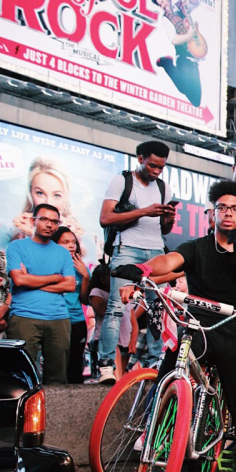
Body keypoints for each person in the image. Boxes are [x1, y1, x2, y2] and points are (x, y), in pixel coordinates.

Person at [112, 180, 236, 472]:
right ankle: (155, 424)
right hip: (198, 329)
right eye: (222, 208)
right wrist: (142, 270)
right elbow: (169, 261)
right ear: (212, 213)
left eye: (235, 209)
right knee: (170, 366)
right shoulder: (197, 247)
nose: (228, 213)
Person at [97, 140, 176, 384]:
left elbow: (165, 229)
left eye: (161, 168)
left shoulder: (164, 187)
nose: (156, 171)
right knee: (116, 308)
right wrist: (144, 211)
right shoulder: (122, 181)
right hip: (127, 248)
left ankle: (154, 363)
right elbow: (105, 218)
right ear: (140, 158)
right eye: (152, 165)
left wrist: (169, 218)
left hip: (155, 252)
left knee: (156, 308)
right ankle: (106, 365)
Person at [6, 204, 76, 382]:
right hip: (24, 317)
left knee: (57, 378)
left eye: (54, 221)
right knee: (21, 377)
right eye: (44, 219)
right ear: (33, 221)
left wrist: (31, 279)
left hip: (58, 318)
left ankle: (55, 411)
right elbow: (19, 280)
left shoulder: (62, 252)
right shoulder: (16, 247)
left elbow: (69, 285)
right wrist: (54, 277)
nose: (49, 224)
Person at [151, 0, 204, 107]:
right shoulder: (166, 18)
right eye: (160, 5)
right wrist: (188, 35)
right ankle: (167, 63)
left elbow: (196, 2)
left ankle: (167, 64)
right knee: (183, 87)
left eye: (163, 1)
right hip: (183, 57)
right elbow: (174, 39)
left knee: (196, 101)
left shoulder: (180, 5)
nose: (163, 6)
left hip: (194, 57)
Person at [54, 226, 92, 383]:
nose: (71, 246)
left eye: (73, 242)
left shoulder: (81, 267)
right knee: (56, 365)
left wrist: (85, 277)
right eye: (65, 242)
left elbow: (84, 299)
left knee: (75, 366)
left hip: (77, 321)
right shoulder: (49, 265)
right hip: (55, 320)